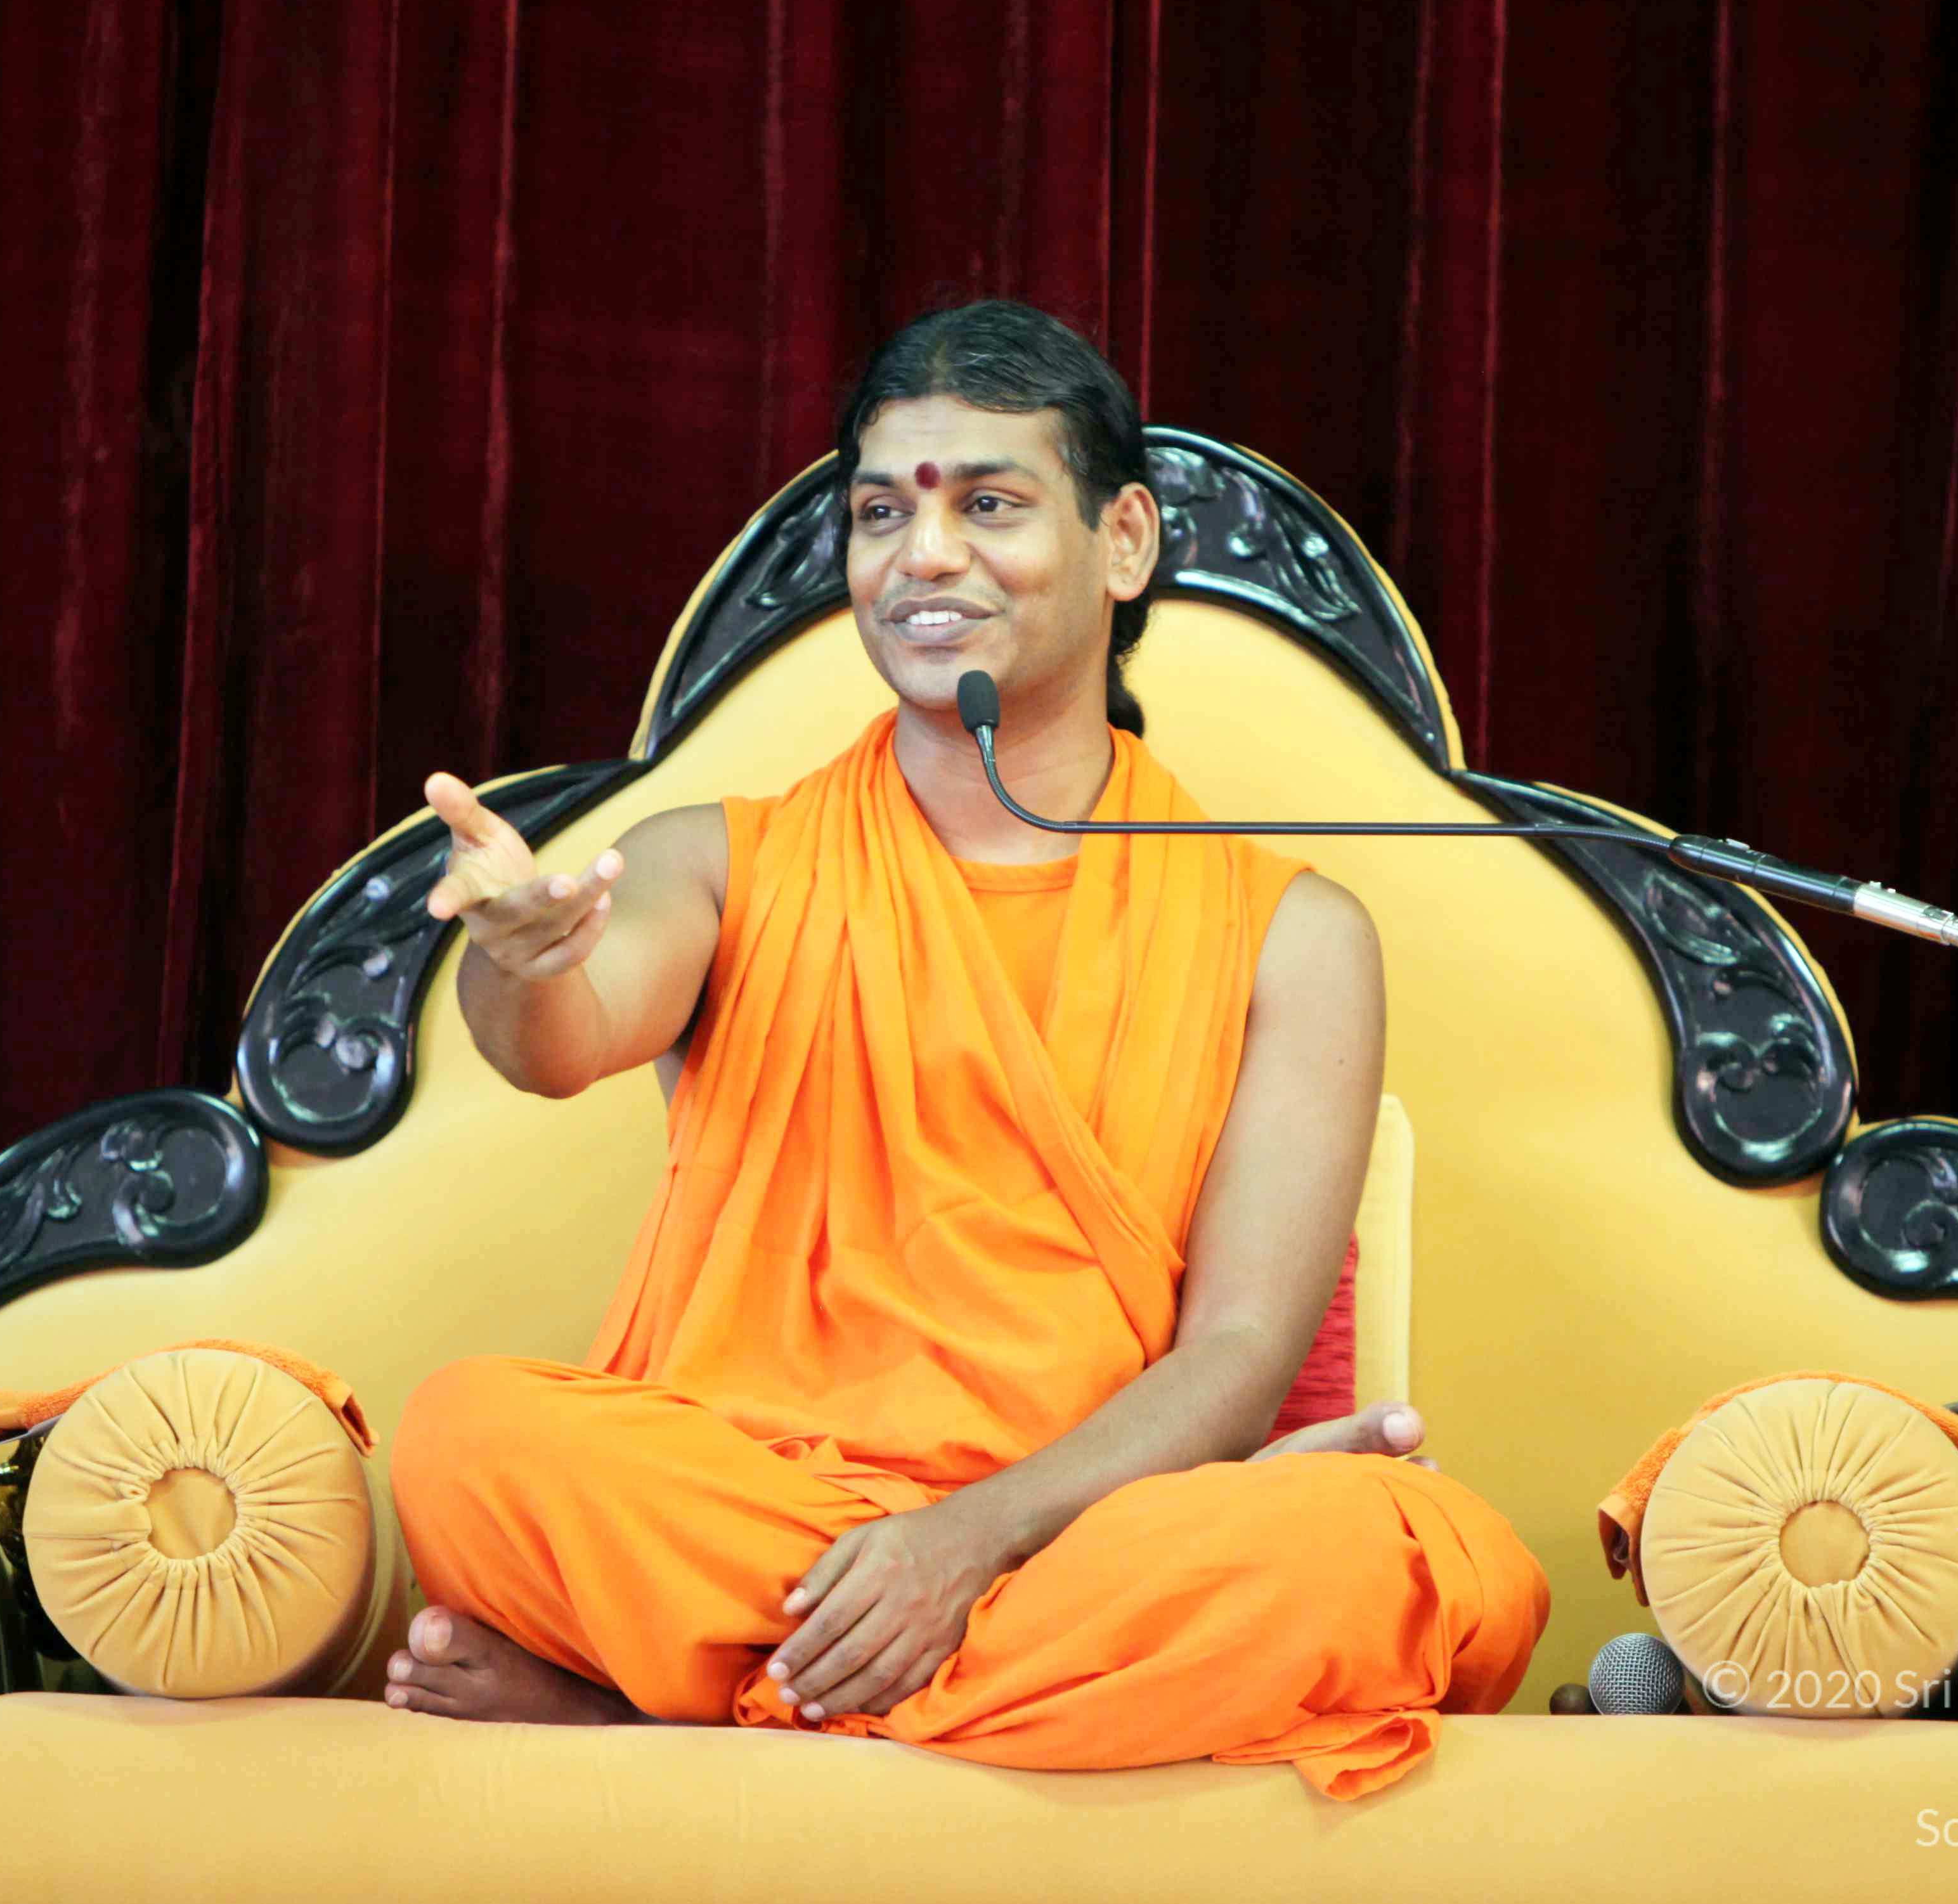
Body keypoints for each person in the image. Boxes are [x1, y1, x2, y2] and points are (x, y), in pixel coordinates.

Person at [380, 300, 1543, 1798]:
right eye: (883, 514)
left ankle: (674, 1712)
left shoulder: (1293, 935)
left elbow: (1242, 1358)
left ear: (1124, 542)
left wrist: (961, 1546)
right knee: (470, 1437)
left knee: (1390, 1550)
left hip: (1082, 1531)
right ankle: (913, 1688)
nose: (923, 557)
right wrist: (519, 959)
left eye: (989, 505)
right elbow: (562, 1038)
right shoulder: (719, 861)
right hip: (753, 1503)